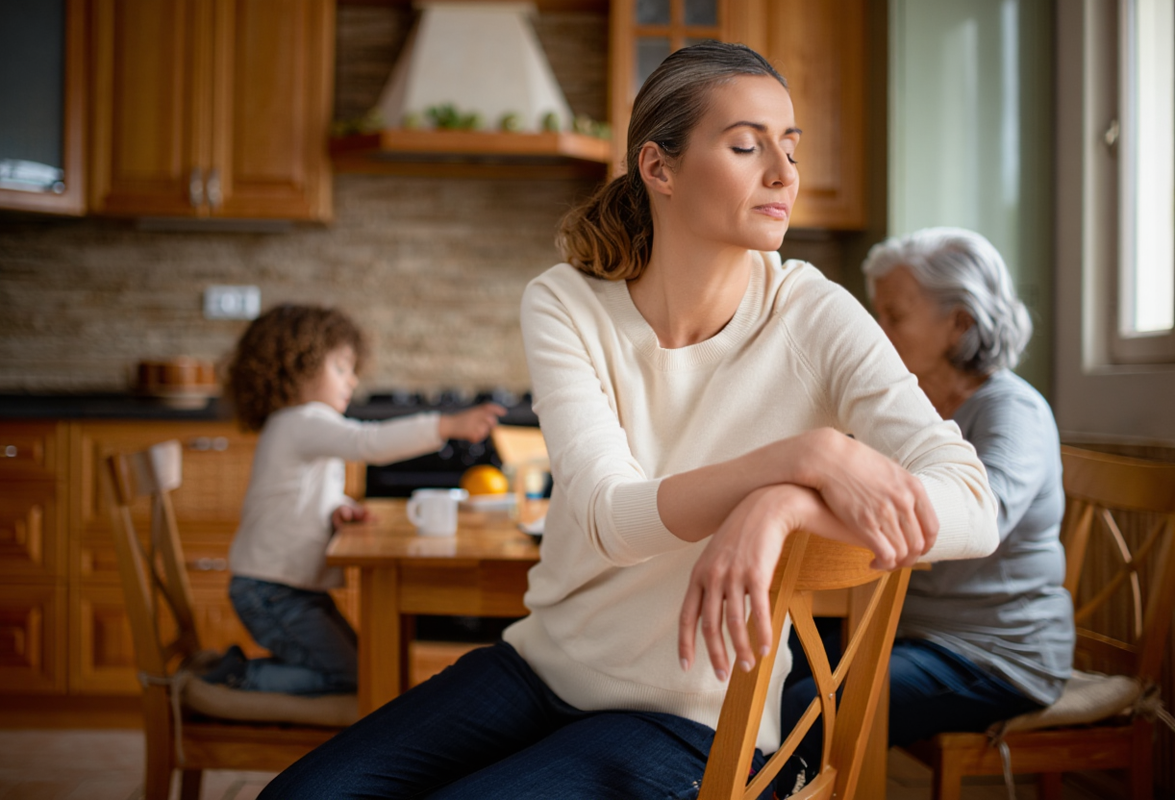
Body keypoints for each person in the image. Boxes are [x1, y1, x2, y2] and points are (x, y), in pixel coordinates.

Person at [259, 42, 998, 799]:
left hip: (694, 718)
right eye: (747, 146)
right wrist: (803, 456)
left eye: (790, 147)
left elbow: (978, 509)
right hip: (541, 668)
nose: (784, 173)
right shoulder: (566, 303)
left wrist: (783, 503)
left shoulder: (815, 314)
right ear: (659, 168)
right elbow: (614, 518)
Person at [782, 227, 1073, 764]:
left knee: (809, 707)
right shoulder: (909, 410)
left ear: (958, 323)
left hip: (994, 654)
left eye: (894, 315)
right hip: (906, 629)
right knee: (763, 656)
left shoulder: (1014, 412)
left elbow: (981, 522)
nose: (876, 328)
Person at [207, 304, 505, 695]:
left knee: (367, 667)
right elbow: (367, 442)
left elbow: (301, 492)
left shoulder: (297, 425)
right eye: (341, 369)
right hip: (273, 592)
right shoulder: (303, 420)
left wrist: (337, 506)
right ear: (298, 367)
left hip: (285, 589)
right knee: (355, 677)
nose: (352, 382)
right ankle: (237, 678)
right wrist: (446, 424)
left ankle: (250, 675)